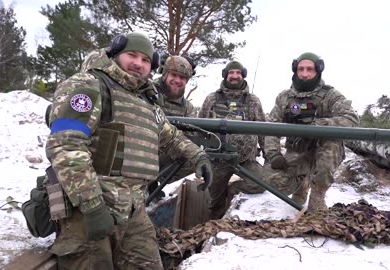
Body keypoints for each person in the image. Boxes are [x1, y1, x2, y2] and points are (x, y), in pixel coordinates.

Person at [45, 32, 213, 270]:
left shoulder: (146, 101)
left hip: (133, 208)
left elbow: (171, 136)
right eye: (131, 55)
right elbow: (65, 145)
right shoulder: (89, 85)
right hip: (88, 207)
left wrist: (198, 156)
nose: (138, 63)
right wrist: (92, 205)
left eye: (145, 60)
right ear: (115, 54)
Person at [263, 52, 359, 213]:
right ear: (295, 70)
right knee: (273, 180)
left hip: (325, 151)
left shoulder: (330, 95)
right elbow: (271, 126)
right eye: (300, 69)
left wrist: (317, 126)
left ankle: (318, 196)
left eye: (309, 69)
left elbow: (352, 119)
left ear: (318, 70)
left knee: (330, 149)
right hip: (298, 151)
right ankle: (302, 185)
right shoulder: (285, 98)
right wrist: (274, 154)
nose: (304, 74)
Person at [198, 60, 266, 219]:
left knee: (261, 183)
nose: (235, 76)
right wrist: (197, 155)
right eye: (231, 73)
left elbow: (263, 130)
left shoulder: (253, 101)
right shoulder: (211, 99)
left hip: (245, 160)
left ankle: (232, 191)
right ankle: (212, 228)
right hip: (218, 160)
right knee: (215, 202)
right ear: (225, 75)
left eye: (238, 73)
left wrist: (269, 154)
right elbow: (199, 128)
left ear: (243, 75)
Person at [153, 54, 199, 188]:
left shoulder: (187, 107)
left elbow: (190, 137)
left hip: (169, 152)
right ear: (164, 74)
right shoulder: (147, 91)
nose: (177, 80)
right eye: (174, 75)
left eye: (183, 77)